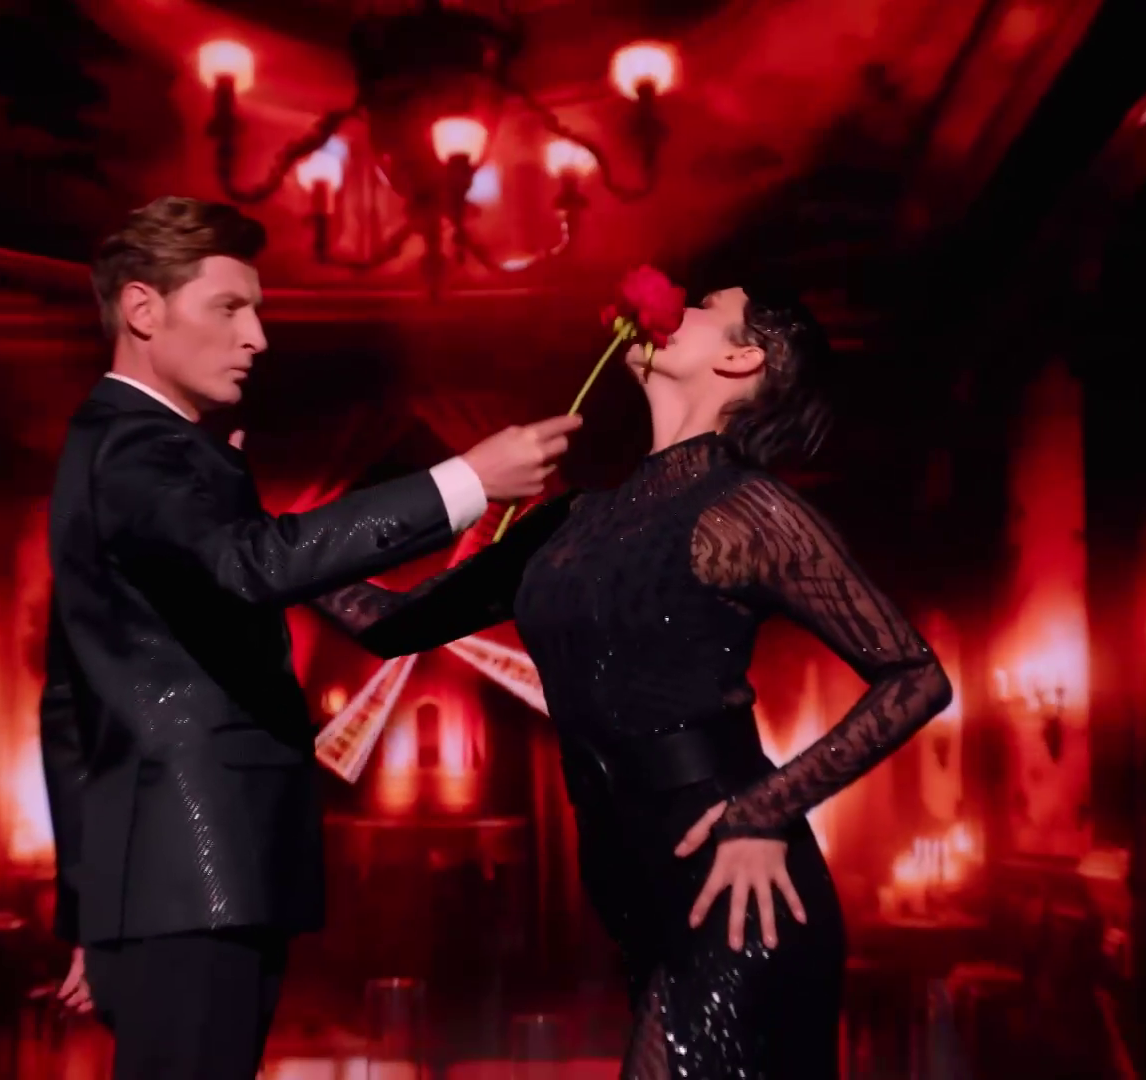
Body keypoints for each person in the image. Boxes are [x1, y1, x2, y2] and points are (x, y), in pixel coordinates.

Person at [314, 281, 952, 1078]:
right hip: (632, 884)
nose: (676, 303)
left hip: (735, 888)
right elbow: (386, 622)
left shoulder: (747, 510)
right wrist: (260, 544)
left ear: (741, 359)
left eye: (704, 305)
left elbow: (914, 676)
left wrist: (763, 810)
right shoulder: (572, 522)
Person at [39, 196, 582, 1079]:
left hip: (181, 884)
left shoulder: (143, 450)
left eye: (256, 311)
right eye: (229, 307)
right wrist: (465, 480)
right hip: (195, 874)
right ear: (142, 309)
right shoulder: (138, 450)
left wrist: (93, 914)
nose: (256, 337)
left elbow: (72, 706)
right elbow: (252, 565)